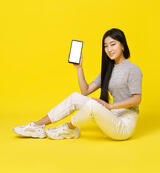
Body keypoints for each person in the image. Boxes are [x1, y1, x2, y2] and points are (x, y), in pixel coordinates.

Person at [13, 28, 143, 141]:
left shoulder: (133, 69)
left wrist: (110, 106)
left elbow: (137, 99)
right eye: (105, 46)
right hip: (111, 115)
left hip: (124, 124)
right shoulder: (107, 71)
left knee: (93, 104)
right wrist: (79, 68)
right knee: (75, 96)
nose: (109, 49)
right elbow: (85, 91)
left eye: (113, 44)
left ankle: (70, 128)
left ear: (123, 45)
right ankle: (37, 126)